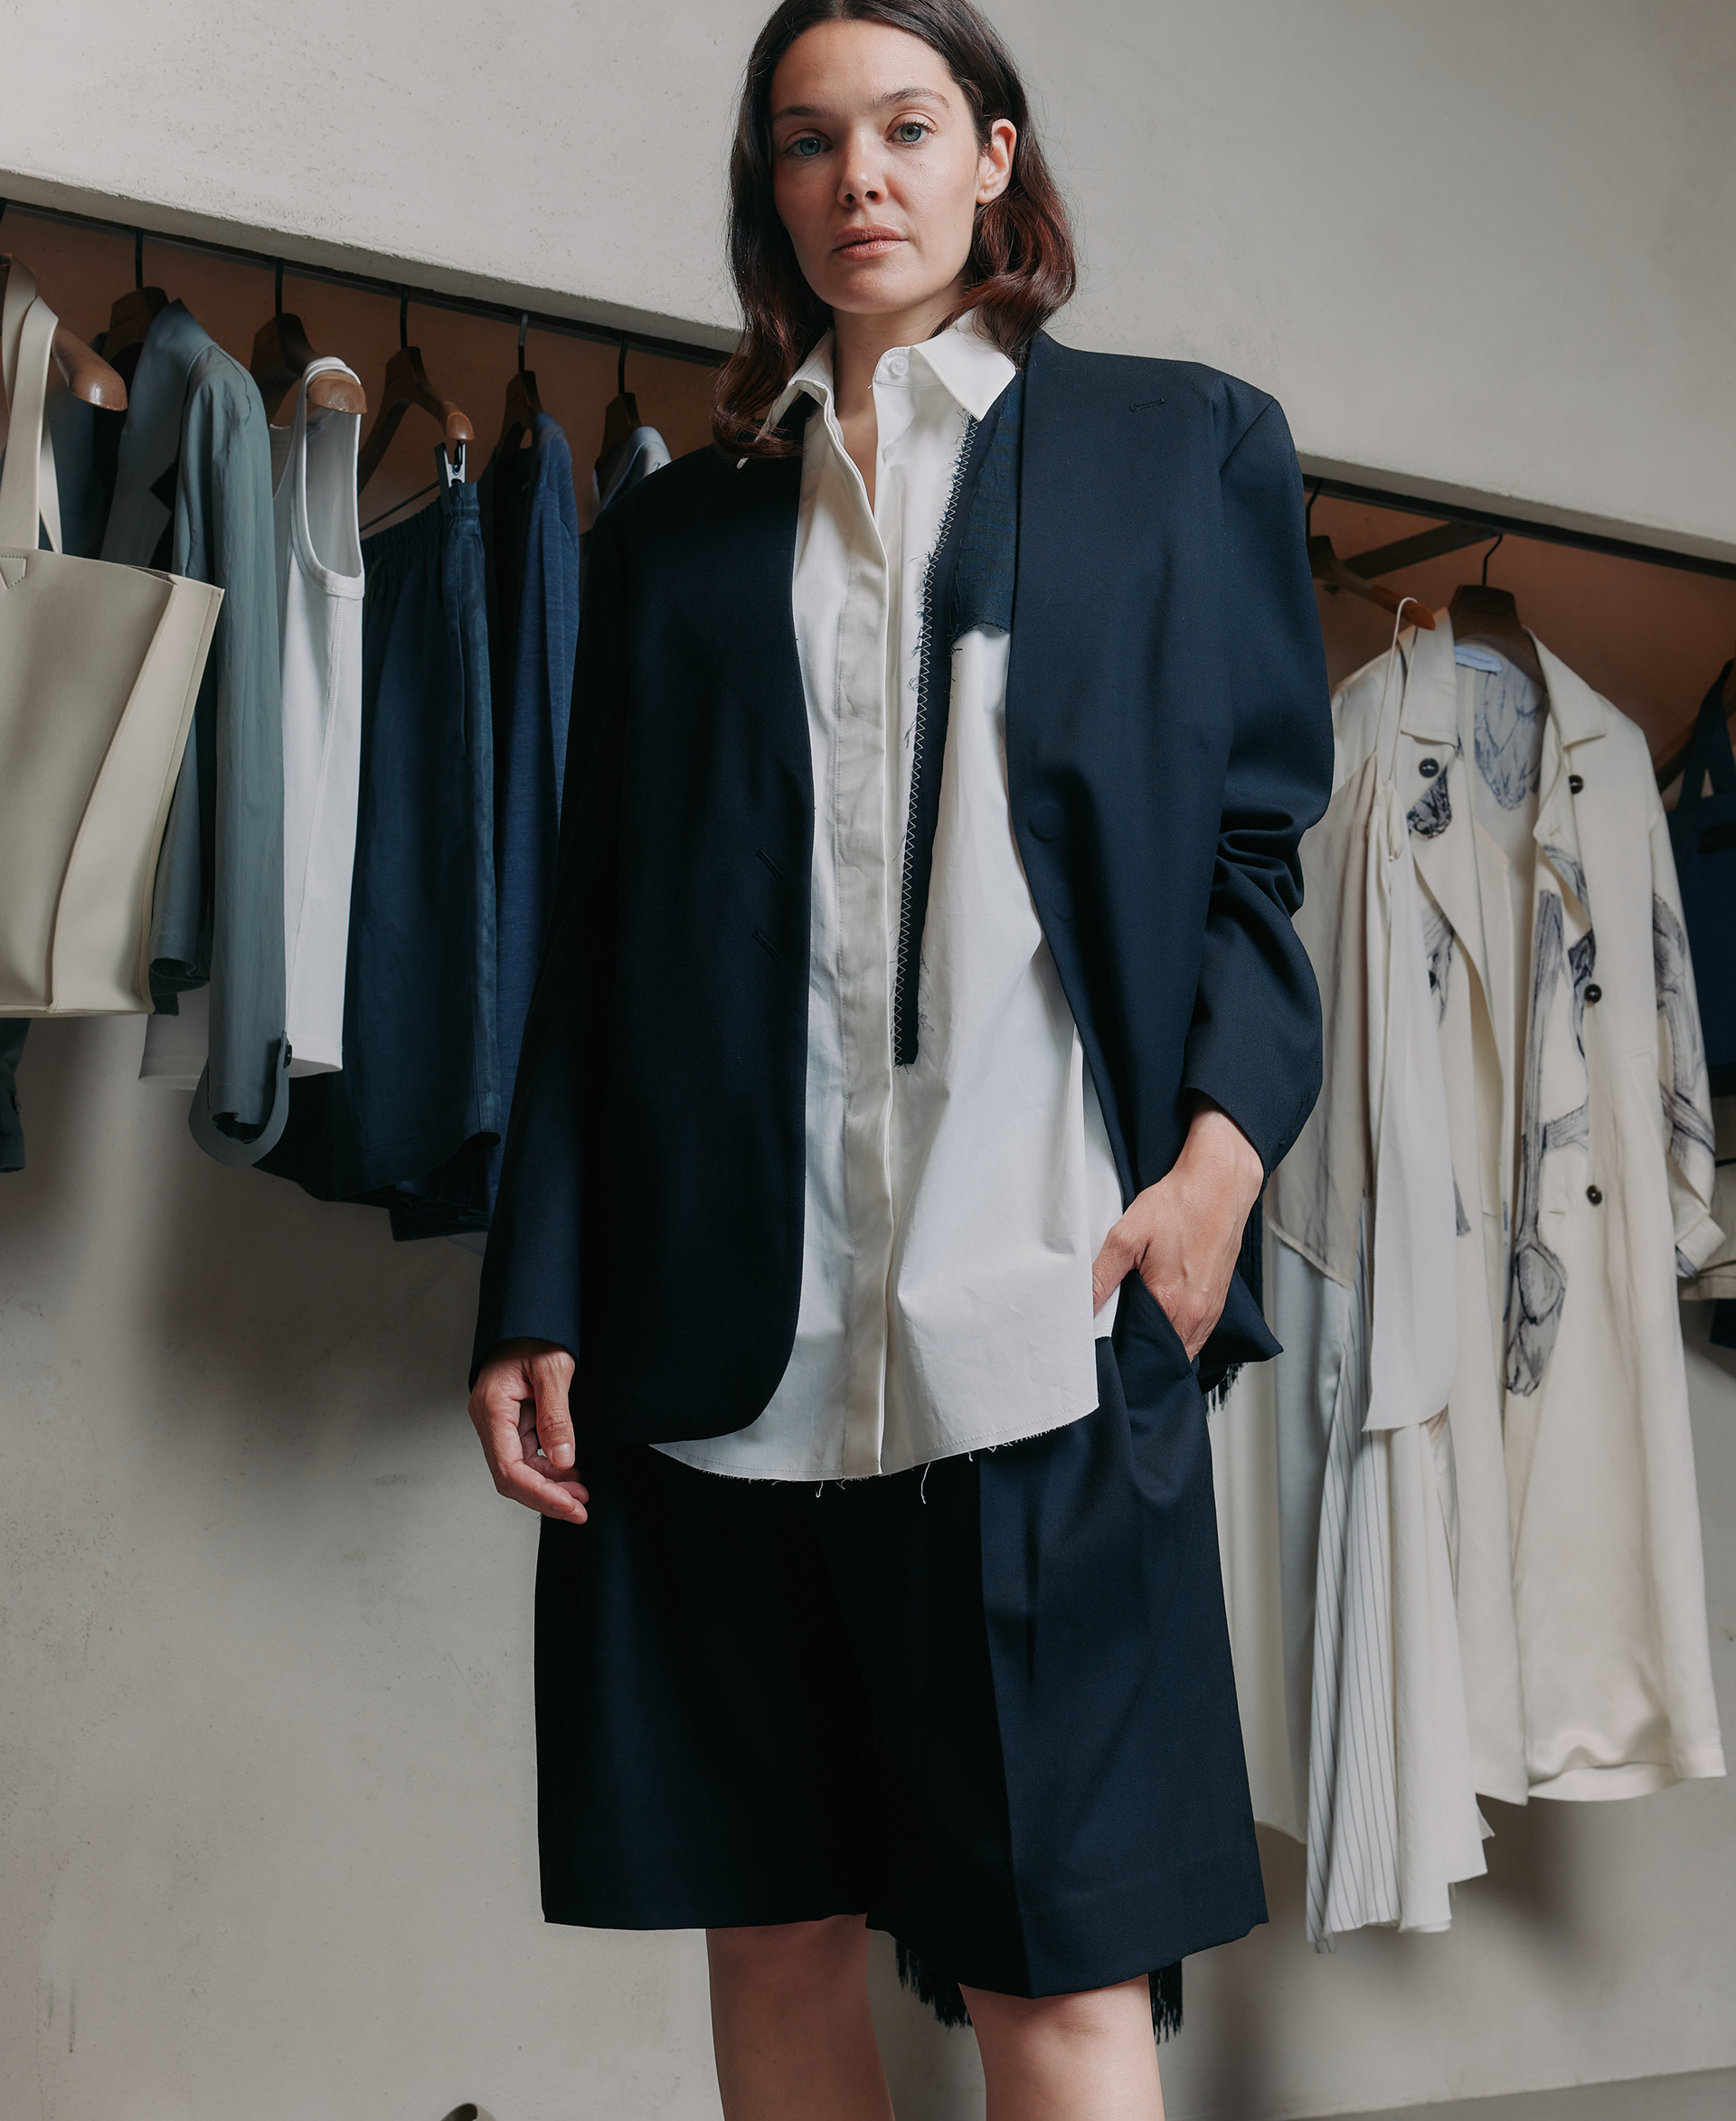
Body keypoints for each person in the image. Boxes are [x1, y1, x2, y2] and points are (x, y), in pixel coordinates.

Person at [466, 3, 1331, 2114]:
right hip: (717, 1360)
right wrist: (537, 1292)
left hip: (1043, 1325)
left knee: (1063, 1973)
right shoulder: (672, 538)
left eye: (907, 127)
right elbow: (596, 950)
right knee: (773, 1940)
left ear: (994, 156)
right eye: (807, 140)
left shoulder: (1180, 450)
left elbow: (1251, 854)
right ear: (769, 187)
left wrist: (1219, 1176)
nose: (858, 176)